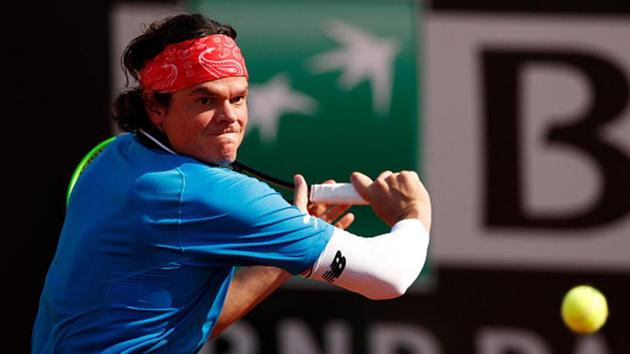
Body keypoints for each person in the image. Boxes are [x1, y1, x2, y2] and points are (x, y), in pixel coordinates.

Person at [32, 13, 432, 353]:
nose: (230, 117)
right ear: (155, 107)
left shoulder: (115, 158)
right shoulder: (208, 194)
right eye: (205, 101)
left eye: (238, 98)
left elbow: (178, 325)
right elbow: (390, 277)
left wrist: (287, 248)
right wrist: (413, 213)